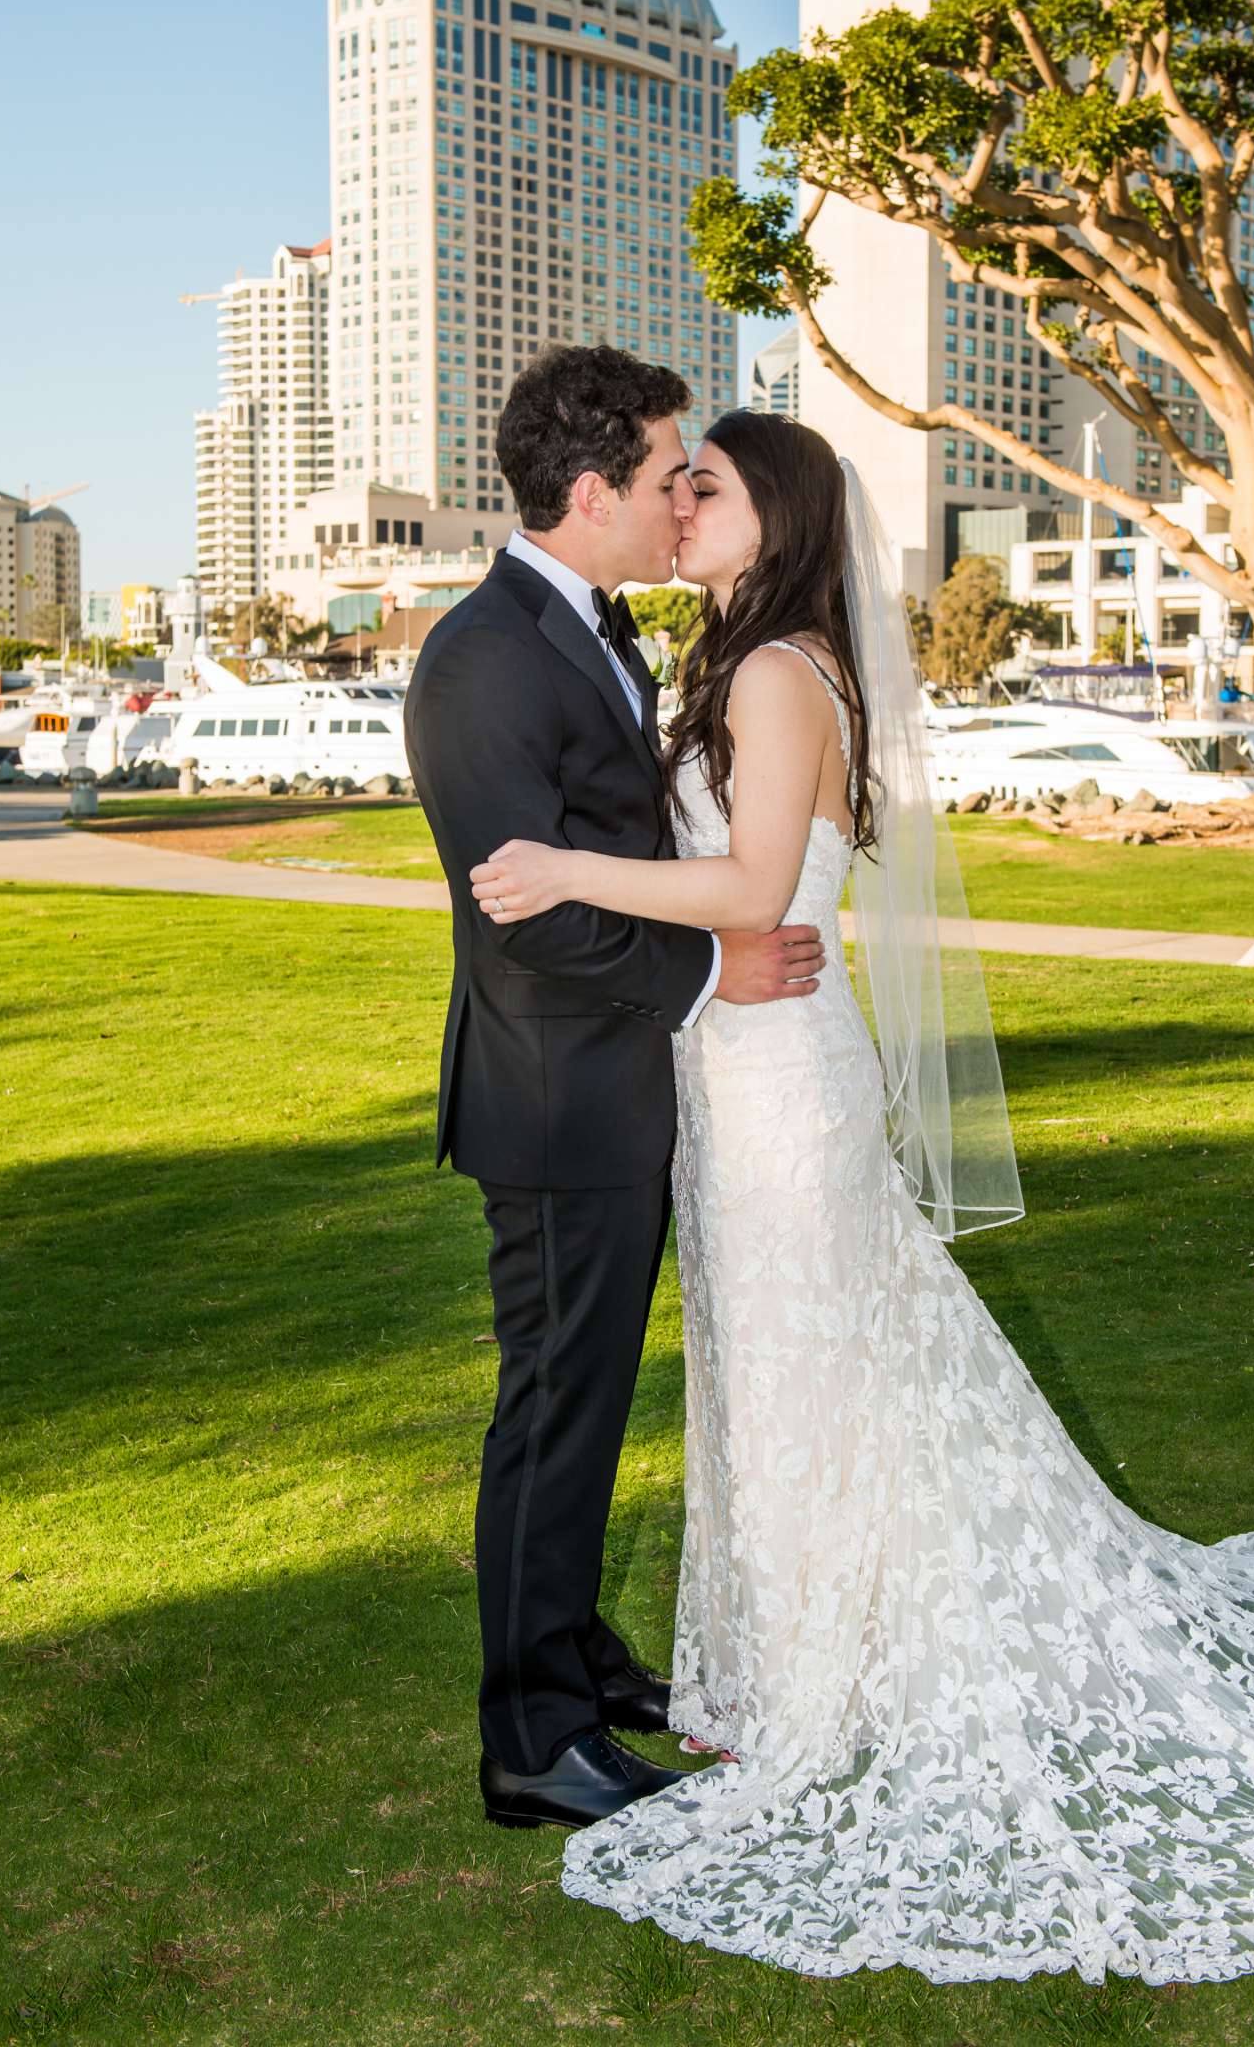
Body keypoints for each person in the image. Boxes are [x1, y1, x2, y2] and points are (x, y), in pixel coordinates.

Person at [469, 408, 1254, 1988]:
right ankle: (792, 1655)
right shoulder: (732, 660)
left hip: (783, 1083)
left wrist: (568, 869)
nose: (680, 507)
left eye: (707, 487)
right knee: (776, 1380)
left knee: (815, 1372)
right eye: (674, 484)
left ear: (776, 515)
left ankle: (833, 1678)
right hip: (730, 1077)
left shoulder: (778, 673)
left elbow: (749, 890)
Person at [404, 347, 827, 1835]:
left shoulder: (579, 626)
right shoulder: (483, 658)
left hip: (608, 1087)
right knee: (557, 1412)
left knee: (578, 1401)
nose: (678, 499)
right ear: (593, 493)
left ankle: (575, 1653)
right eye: (663, 478)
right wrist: (721, 979)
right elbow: (532, 908)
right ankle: (533, 1737)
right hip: (554, 1100)